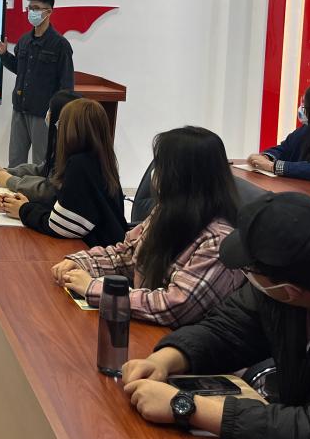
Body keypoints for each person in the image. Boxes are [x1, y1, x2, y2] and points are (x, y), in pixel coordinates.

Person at [122, 192, 310, 439]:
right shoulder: (293, 276)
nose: (245, 277)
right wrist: (167, 358)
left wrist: (188, 407)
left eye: (248, 270)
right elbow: (229, 327)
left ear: (290, 291)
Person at [51, 127, 244, 327]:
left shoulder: (219, 241)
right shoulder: (167, 212)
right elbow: (129, 256)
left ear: (185, 176)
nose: (155, 174)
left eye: (161, 166)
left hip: (176, 341)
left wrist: (94, 289)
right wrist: (82, 263)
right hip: (148, 329)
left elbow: (174, 306)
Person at [0, 98, 125, 247]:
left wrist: (23, 210)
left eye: (61, 125)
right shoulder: (101, 159)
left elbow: (62, 226)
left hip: (95, 250)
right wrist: (27, 205)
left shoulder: (80, 165)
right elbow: (67, 212)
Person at [0, 0, 74, 167]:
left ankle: (41, 187)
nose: (31, 12)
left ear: (48, 12)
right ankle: (14, 186)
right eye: (30, 8)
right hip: (20, 110)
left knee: (42, 163)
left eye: (36, 8)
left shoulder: (60, 45)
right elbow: (19, 69)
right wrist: (4, 55)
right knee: (15, 161)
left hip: (43, 114)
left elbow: (67, 84)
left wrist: (58, 113)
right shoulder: (24, 41)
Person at [0, 90, 81, 202]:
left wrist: (11, 181)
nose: (47, 114)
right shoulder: (63, 143)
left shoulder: (76, 156)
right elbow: (43, 169)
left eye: (50, 110)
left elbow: (49, 190)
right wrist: (8, 172)